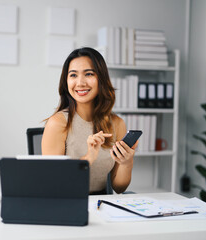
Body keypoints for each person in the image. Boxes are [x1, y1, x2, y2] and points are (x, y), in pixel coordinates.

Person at [41, 47, 138, 194]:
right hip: (65, 201)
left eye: (89, 74)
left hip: (101, 204)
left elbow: (119, 187)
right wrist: (88, 158)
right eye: (73, 75)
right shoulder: (57, 123)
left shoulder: (117, 124)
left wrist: (126, 162)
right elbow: (53, 182)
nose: (80, 83)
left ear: (101, 79)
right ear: (66, 81)